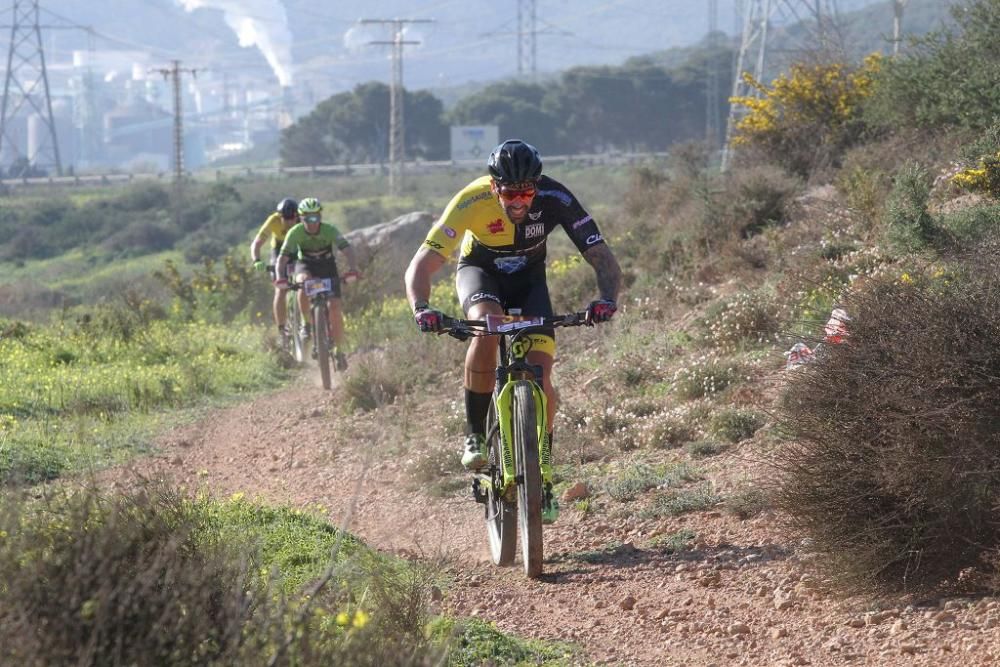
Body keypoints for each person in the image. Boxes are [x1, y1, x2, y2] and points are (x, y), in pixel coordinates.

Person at [404, 139, 622, 523]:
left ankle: (544, 475)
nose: (519, 201)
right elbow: (423, 263)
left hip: (530, 280)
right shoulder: (471, 201)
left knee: (542, 368)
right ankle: (475, 433)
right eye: (510, 193)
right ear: (494, 188)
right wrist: (421, 307)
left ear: (536, 186)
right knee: (487, 328)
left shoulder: (556, 197)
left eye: (526, 192)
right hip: (480, 272)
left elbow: (601, 254)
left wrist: (606, 298)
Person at [274, 197, 361, 372]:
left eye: (316, 218)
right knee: (303, 283)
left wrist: (353, 269)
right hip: (306, 264)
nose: (312, 223)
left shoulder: (329, 230)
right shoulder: (295, 232)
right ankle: (307, 324)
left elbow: (347, 249)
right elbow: (282, 258)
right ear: (301, 218)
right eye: (307, 219)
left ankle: (339, 350)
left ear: (320, 217)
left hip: (327, 266)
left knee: (335, 307)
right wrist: (280, 277)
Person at [250, 197, 299, 337]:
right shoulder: (273, 220)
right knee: (281, 289)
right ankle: (282, 329)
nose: (290, 222)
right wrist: (257, 260)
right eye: (286, 219)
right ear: (280, 216)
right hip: (278, 250)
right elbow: (256, 243)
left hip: (297, 248)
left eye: (293, 219)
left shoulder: (302, 220)